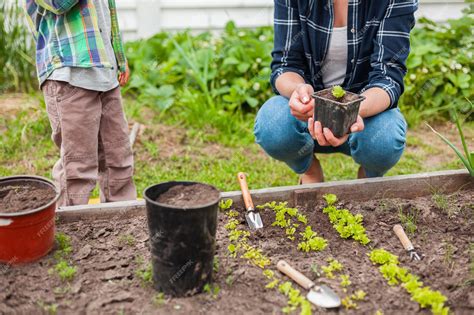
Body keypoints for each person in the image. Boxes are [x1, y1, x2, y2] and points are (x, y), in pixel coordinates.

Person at [254, 0, 417, 184]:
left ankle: (367, 179)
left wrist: (347, 110)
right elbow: (285, 65)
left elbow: (388, 78)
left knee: (385, 139)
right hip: (309, 117)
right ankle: (310, 172)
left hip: (363, 119)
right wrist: (299, 91)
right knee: (272, 123)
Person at [25, 0, 137, 206]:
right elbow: (58, 4)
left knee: (117, 155)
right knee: (78, 162)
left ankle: (122, 215)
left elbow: (108, 12)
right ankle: (72, 223)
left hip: (105, 73)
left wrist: (119, 57)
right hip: (69, 76)